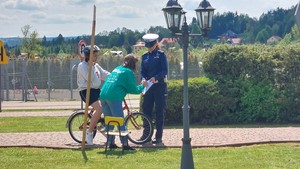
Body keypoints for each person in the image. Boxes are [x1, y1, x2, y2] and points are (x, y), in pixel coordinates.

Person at [100, 54, 148, 151]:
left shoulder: (118, 68)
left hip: (103, 95)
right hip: (114, 97)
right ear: (133, 64)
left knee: (109, 121)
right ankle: (125, 144)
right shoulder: (128, 72)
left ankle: (111, 143)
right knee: (119, 121)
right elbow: (134, 90)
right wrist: (143, 85)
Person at [77, 45, 110, 145]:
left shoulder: (96, 65)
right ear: (88, 56)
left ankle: (101, 124)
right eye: (94, 55)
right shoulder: (82, 66)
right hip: (86, 91)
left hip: (96, 90)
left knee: (107, 104)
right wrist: (90, 66)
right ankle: (89, 132)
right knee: (99, 109)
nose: (96, 57)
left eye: (96, 55)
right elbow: (89, 78)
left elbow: (104, 74)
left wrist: (115, 76)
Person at [140, 33, 168, 144]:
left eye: (150, 46)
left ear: (156, 44)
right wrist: (143, 79)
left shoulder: (161, 55)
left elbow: (164, 70)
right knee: (146, 110)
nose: (149, 48)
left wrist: (156, 77)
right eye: (147, 46)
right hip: (148, 87)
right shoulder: (144, 56)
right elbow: (142, 71)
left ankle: (158, 137)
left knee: (159, 111)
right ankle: (146, 135)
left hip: (159, 86)